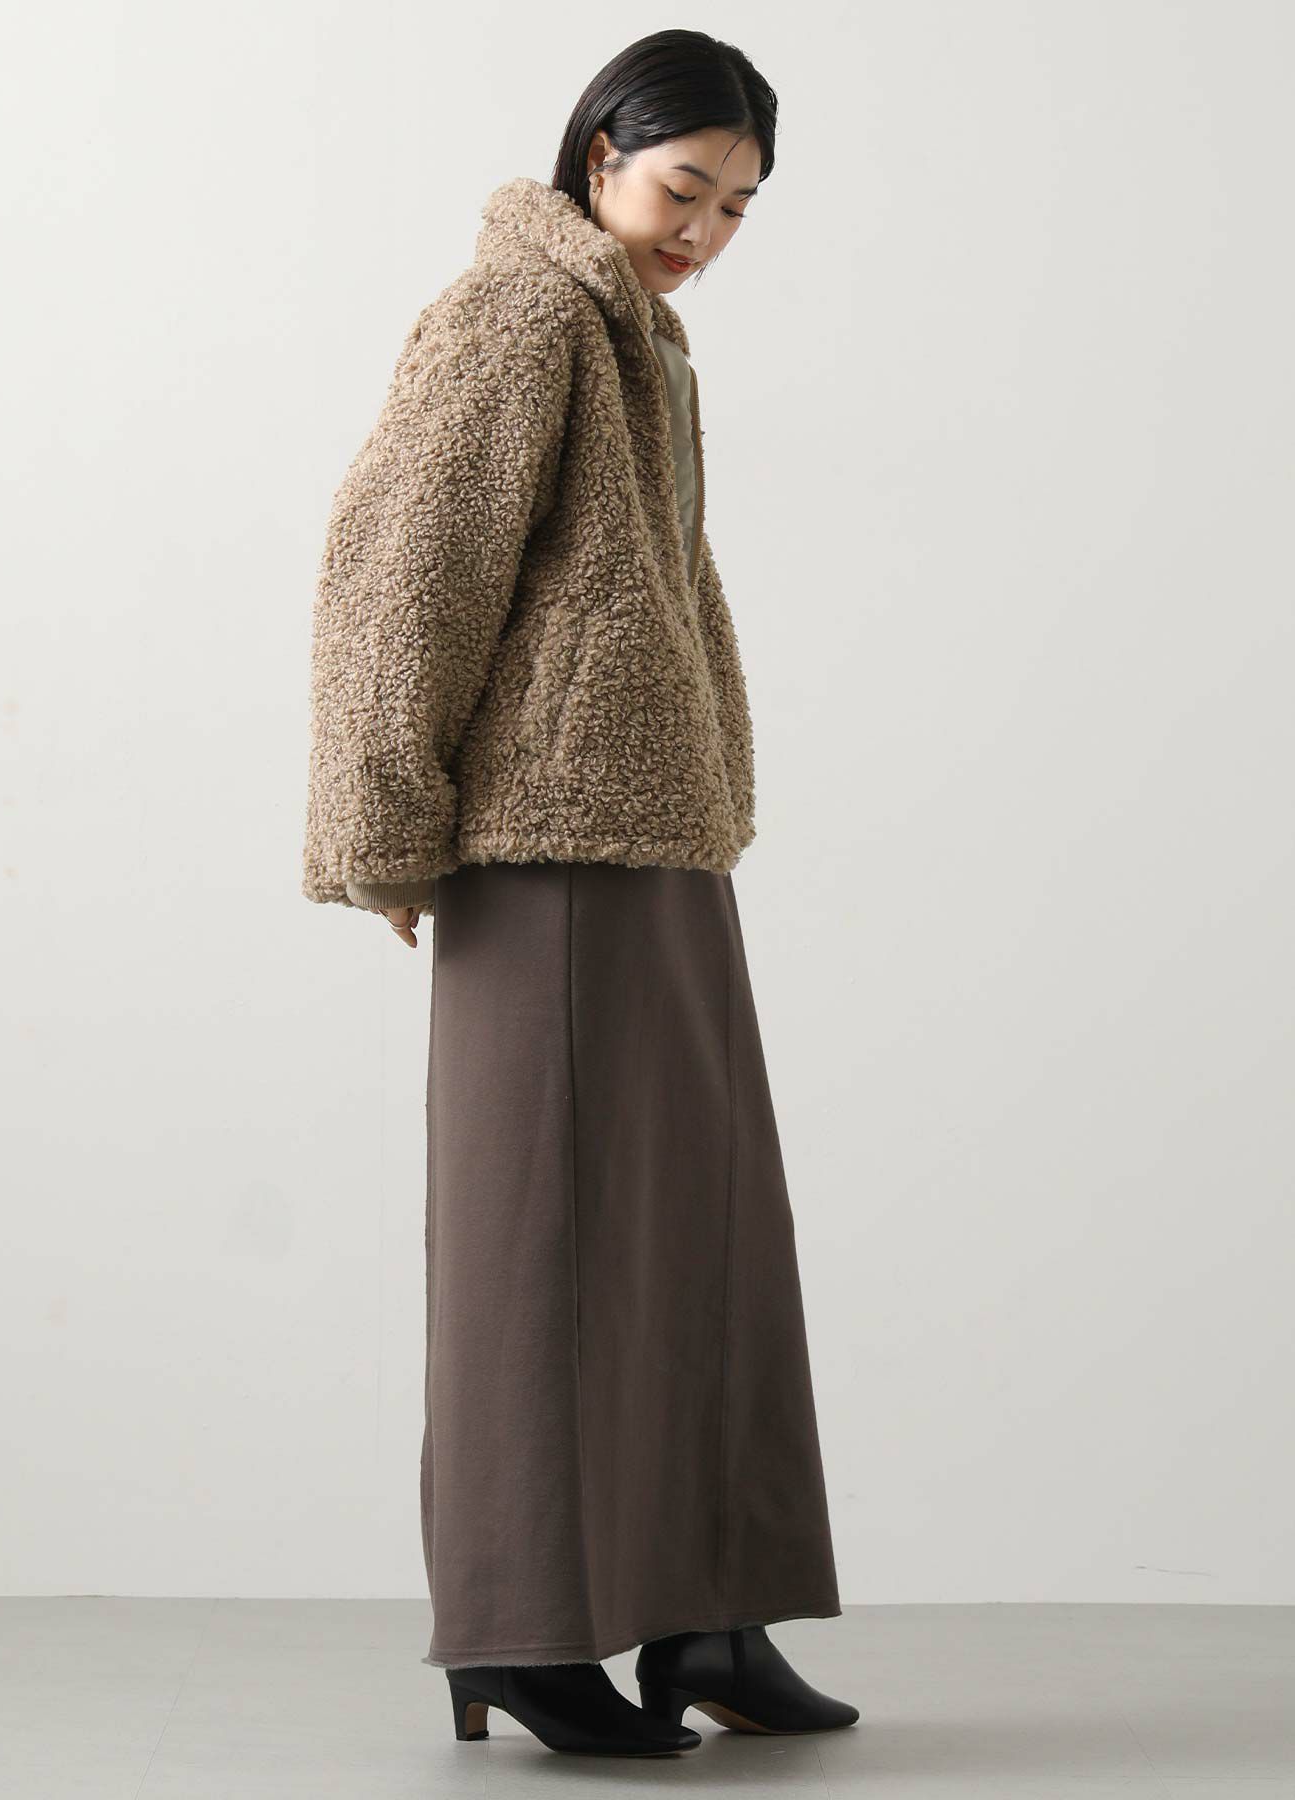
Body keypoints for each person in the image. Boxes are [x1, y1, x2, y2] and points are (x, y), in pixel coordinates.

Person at [302, 27, 862, 1758]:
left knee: (700, 1232)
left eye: (738, 206)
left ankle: (707, 1614)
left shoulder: (638, 335)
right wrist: (387, 830)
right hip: (542, 843)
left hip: (655, 832)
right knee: (541, 1247)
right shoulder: (522, 314)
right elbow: (403, 573)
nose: (704, 231)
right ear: (598, 154)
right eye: (684, 189)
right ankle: (524, 1631)